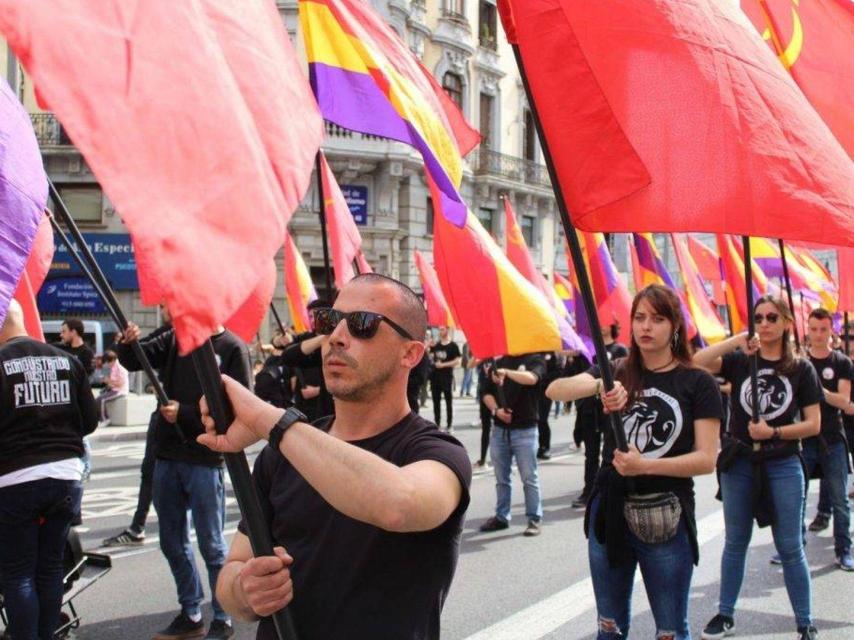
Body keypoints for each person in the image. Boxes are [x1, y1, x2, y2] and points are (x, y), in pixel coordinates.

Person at [197, 274, 471, 640]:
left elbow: (398, 504)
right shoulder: (285, 453)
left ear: (411, 353)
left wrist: (267, 419)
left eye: (362, 325)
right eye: (329, 321)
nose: (336, 337)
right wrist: (246, 591)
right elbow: (232, 574)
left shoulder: (437, 452)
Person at [547, 284, 720, 640]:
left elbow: (706, 459)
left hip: (666, 519)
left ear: (675, 327)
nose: (646, 326)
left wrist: (646, 466)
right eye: (639, 317)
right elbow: (555, 390)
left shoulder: (697, 382)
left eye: (657, 319)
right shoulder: (616, 369)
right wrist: (599, 388)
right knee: (609, 629)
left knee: (670, 631)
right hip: (609, 514)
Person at [694, 295, 821, 640]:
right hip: (740, 462)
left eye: (771, 318)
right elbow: (696, 360)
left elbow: (813, 424)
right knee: (735, 540)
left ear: (786, 324)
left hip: (782, 462)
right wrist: (737, 340)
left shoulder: (800, 368)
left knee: (790, 545)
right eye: (758, 318)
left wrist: (774, 431)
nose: (764, 324)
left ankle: (804, 622)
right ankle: (725, 614)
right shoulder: (740, 361)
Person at [116, 317, 252, 640]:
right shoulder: (176, 337)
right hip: (167, 457)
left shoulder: (232, 347)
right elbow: (136, 359)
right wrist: (127, 341)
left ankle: (223, 617)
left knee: (212, 545)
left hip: (205, 459)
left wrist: (186, 413)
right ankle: (191, 613)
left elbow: (241, 408)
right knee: (172, 541)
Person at [0, 300, 99, 640]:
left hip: (15, 479)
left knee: (18, 573)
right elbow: (89, 422)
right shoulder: (67, 360)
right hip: (65, 477)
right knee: (51, 566)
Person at [102, 307, 172, 548]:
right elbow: (136, 358)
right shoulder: (167, 334)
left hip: (193, 427)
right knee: (150, 473)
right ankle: (138, 527)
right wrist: (128, 342)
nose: (163, 308)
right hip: (164, 418)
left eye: (167, 302)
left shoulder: (206, 338)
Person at [798, 308, 854, 570]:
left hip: (832, 438)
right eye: (814, 329)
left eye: (823, 329)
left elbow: (844, 401)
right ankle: (793, 548)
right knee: (796, 497)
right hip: (804, 438)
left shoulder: (841, 362)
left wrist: (819, 391)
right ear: (807, 330)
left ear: (831, 330)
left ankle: (844, 550)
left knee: (840, 499)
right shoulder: (799, 363)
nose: (818, 335)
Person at [479, 351, 547, 536]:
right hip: (500, 431)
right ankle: (501, 517)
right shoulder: (499, 361)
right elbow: (485, 392)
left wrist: (507, 373)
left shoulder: (535, 359)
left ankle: (534, 518)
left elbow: (532, 378)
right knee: (501, 478)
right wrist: (496, 410)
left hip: (525, 430)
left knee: (529, 477)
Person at [572, 323, 628, 508]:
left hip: (612, 409)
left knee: (613, 449)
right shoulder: (588, 349)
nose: (601, 326)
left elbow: (626, 377)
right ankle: (589, 490)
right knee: (591, 452)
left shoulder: (620, 350)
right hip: (590, 408)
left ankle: (613, 487)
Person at [279, 300, 334, 422]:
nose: (313, 320)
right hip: (303, 404)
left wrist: (318, 390)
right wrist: (279, 340)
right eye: (310, 316)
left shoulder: (337, 342)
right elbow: (287, 353)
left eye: (317, 315)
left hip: (327, 405)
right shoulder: (306, 338)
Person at [430, 326, 461, 432]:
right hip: (435, 377)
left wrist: (443, 365)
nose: (440, 331)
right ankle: (437, 423)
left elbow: (457, 361)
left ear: (447, 330)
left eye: (442, 329)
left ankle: (449, 424)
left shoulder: (453, 346)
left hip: (447, 377)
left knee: (448, 401)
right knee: (436, 401)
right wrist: (430, 347)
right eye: (439, 329)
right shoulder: (436, 345)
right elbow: (430, 357)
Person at [536, 352, 561, 460]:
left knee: (542, 418)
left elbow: (558, 372)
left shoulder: (552, 354)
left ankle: (545, 447)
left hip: (546, 391)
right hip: (532, 391)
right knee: (534, 420)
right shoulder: (533, 354)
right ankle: (535, 447)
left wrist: (543, 376)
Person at [95, 350, 129, 426]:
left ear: (112, 360)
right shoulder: (114, 367)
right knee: (98, 399)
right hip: (114, 389)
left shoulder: (120, 368)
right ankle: (100, 419)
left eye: (108, 362)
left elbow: (121, 383)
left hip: (120, 391)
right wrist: (108, 382)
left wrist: (108, 381)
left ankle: (105, 419)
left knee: (102, 400)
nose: (107, 364)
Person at [473, 357, 494, 469]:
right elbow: (469, 365)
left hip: (498, 395)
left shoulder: (499, 357)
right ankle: (483, 459)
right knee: (486, 428)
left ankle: (500, 459)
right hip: (484, 393)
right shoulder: (483, 357)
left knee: (500, 429)